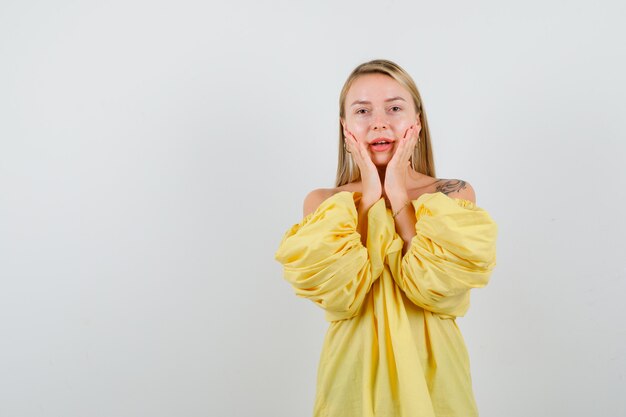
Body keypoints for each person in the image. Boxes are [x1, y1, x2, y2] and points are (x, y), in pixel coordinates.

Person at [274, 59, 498, 417]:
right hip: (352, 380)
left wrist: (397, 195)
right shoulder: (323, 205)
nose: (379, 121)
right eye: (363, 111)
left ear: (417, 122)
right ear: (345, 127)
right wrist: (369, 194)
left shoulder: (453, 197)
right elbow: (341, 296)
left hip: (435, 379)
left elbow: (435, 288)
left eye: (394, 108)